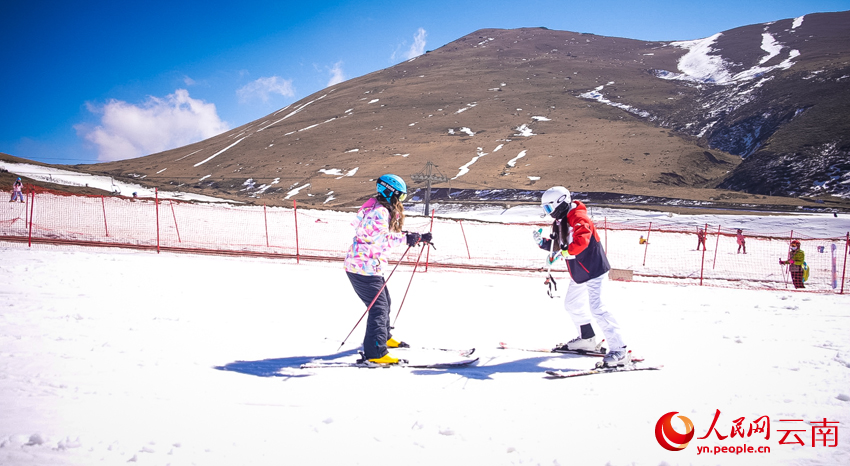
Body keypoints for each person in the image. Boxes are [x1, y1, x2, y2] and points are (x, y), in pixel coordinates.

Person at [534, 186, 630, 367]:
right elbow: (559, 245)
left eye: (548, 208)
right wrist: (543, 243)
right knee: (572, 305)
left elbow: (582, 241)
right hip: (579, 272)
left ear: (560, 203)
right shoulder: (561, 220)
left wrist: (565, 252)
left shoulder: (579, 217)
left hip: (594, 269)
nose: (548, 213)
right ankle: (587, 339)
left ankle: (620, 350)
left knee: (598, 308)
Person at [344, 174, 432, 365]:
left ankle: (383, 337)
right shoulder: (379, 212)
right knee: (378, 309)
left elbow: (379, 235)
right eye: (400, 197)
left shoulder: (376, 207)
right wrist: (407, 239)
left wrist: (415, 237)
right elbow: (380, 240)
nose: (401, 201)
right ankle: (376, 353)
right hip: (363, 268)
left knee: (385, 302)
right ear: (390, 192)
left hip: (366, 265)